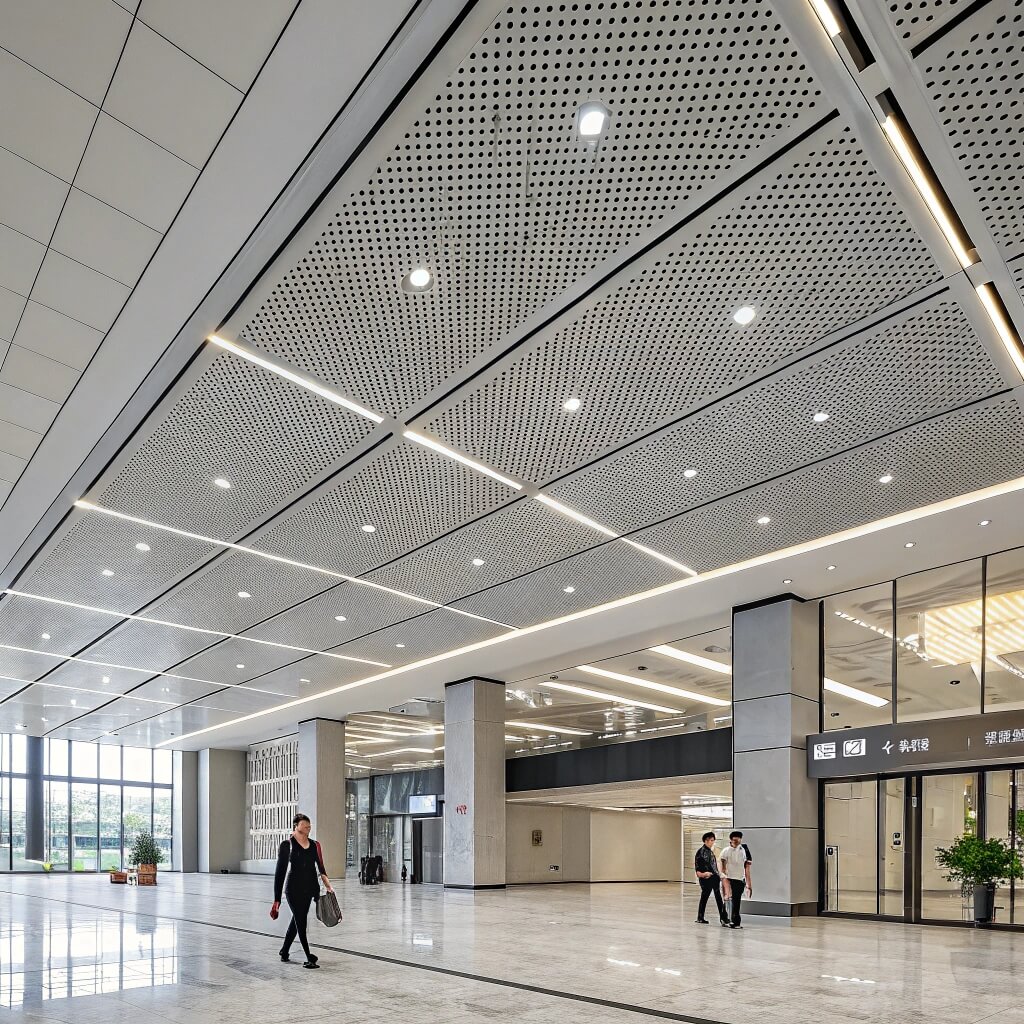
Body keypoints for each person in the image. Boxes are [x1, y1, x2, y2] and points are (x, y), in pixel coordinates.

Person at [271, 813, 334, 968]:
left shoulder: (315, 845)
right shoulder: (287, 845)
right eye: (305, 825)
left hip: (309, 889)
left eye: (309, 825)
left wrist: (328, 886)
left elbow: (321, 867)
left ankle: (284, 951)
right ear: (296, 826)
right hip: (293, 889)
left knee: (297, 921)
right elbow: (280, 873)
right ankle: (308, 956)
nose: (308, 828)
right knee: (301, 922)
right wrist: (277, 900)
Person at [693, 831, 728, 926]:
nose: (712, 842)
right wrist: (707, 874)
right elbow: (699, 867)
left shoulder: (708, 851)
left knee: (708, 898)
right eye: (711, 840)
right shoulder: (703, 852)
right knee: (715, 898)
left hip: (711, 878)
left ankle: (701, 917)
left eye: (713, 840)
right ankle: (723, 918)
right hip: (708, 878)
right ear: (706, 841)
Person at [720, 830, 752, 929]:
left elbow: (747, 868)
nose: (737, 842)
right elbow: (722, 864)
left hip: (739, 879)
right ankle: (725, 919)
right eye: (734, 840)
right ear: (731, 840)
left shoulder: (744, 850)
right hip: (729, 879)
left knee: (737, 901)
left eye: (738, 840)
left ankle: (735, 922)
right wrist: (724, 876)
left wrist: (749, 884)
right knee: (727, 900)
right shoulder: (726, 851)